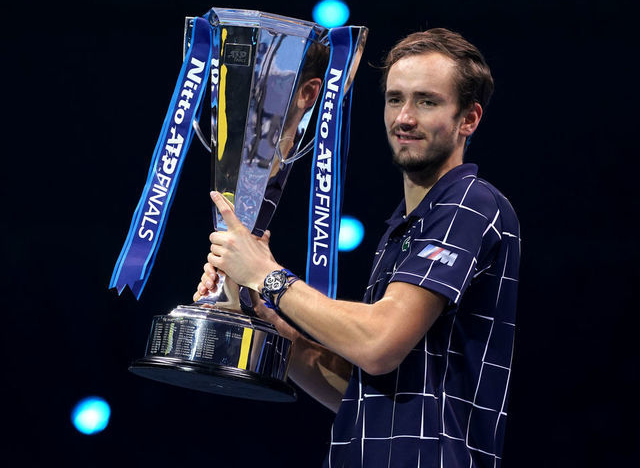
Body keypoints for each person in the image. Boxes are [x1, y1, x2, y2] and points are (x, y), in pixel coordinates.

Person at [195, 28, 521, 468]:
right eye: (394, 99)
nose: (404, 117)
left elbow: (378, 343)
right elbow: (360, 389)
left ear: (469, 119)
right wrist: (265, 317)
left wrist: (267, 276)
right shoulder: (403, 229)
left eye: (427, 101)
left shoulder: (470, 203)